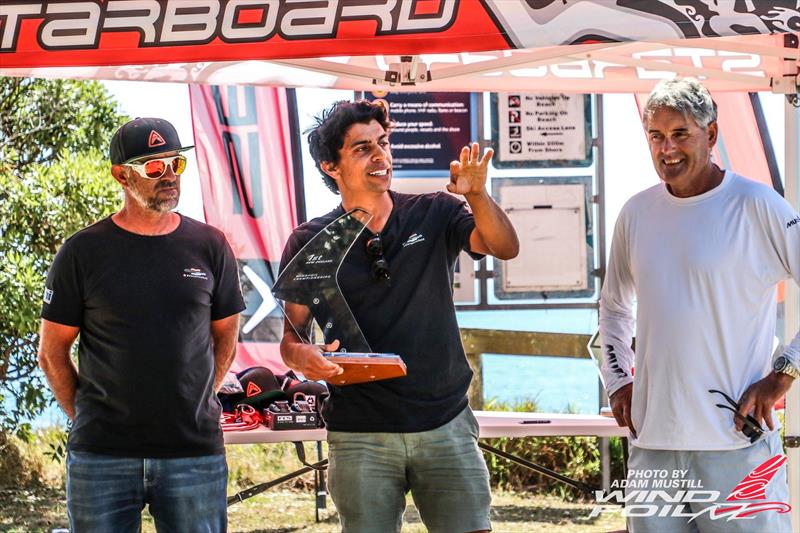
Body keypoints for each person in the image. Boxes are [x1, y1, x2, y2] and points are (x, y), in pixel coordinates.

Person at [278, 100, 519, 533]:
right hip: (359, 435)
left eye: (383, 143)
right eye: (362, 148)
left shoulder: (435, 211)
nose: (380, 156)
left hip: (445, 423)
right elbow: (291, 341)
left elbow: (503, 246)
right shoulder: (308, 240)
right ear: (330, 165)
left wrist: (478, 195)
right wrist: (305, 359)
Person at [600, 78, 798, 532]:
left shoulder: (757, 205)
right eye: (656, 135)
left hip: (736, 445)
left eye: (680, 134)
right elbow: (613, 308)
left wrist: (783, 375)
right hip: (654, 445)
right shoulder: (635, 213)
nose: (667, 148)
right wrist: (617, 381)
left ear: (711, 134)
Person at [38, 117, 245, 532]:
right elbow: (52, 352)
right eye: (154, 167)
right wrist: (84, 415)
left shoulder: (210, 245)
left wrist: (197, 399)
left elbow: (226, 337)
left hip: (193, 453)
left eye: (176, 163)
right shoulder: (82, 252)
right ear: (121, 175)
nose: (169, 174)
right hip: (102, 456)